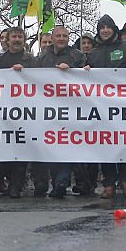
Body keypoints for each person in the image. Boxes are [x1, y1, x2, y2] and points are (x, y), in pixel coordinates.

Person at [84, 14, 126, 198]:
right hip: (102, 106)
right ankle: (109, 182)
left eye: (108, 27)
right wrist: (85, 71)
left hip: (125, 105)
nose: (105, 31)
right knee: (105, 143)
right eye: (102, 28)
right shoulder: (93, 53)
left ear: (113, 29)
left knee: (124, 142)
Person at [38, 24, 85, 198]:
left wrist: (74, 72)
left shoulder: (77, 55)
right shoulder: (43, 56)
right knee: (53, 148)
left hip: (71, 108)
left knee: (66, 146)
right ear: (53, 37)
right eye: (58, 36)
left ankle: (61, 182)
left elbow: (87, 77)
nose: (61, 39)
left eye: (64, 36)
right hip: (49, 108)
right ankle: (58, 181)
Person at [0, 27, 39, 198]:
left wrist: (25, 71)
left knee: (20, 152)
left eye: (20, 36)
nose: (17, 39)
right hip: (5, 112)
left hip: (25, 112)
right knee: (5, 151)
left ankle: (15, 187)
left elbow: (40, 82)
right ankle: (3, 181)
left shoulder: (32, 60)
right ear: (8, 40)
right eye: (14, 37)